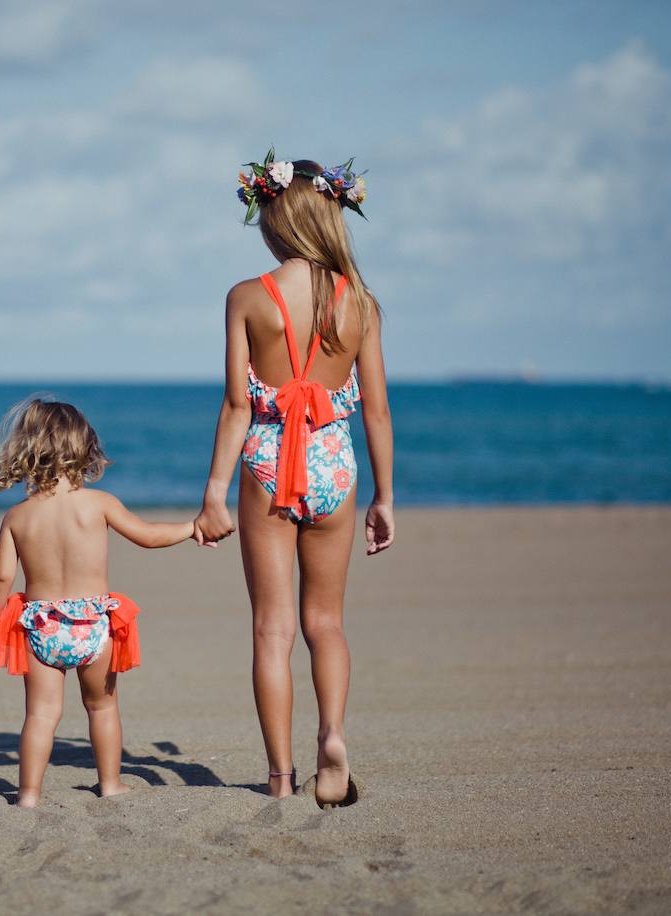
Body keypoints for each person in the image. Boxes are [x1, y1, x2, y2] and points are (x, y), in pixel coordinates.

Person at [193, 150, 396, 808]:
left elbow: (236, 406)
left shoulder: (249, 298)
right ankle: (331, 737)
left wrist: (213, 495)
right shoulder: (360, 302)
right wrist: (385, 497)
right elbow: (377, 408)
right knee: (326, 624)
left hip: (269, 459)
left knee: (271, 630)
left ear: (273, 219)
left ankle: (279, 778)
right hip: (336, 462)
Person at [0, 396, 195, 808]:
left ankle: (28, 793)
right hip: (94, 625)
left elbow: (1, 577)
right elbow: (149, 536)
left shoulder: (18, 517)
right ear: (84, 447)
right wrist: (191, 527)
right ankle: (111, 783)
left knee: (41, 715)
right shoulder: (99, 504)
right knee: (102, 706)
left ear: (27, 450)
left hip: (40, 626)